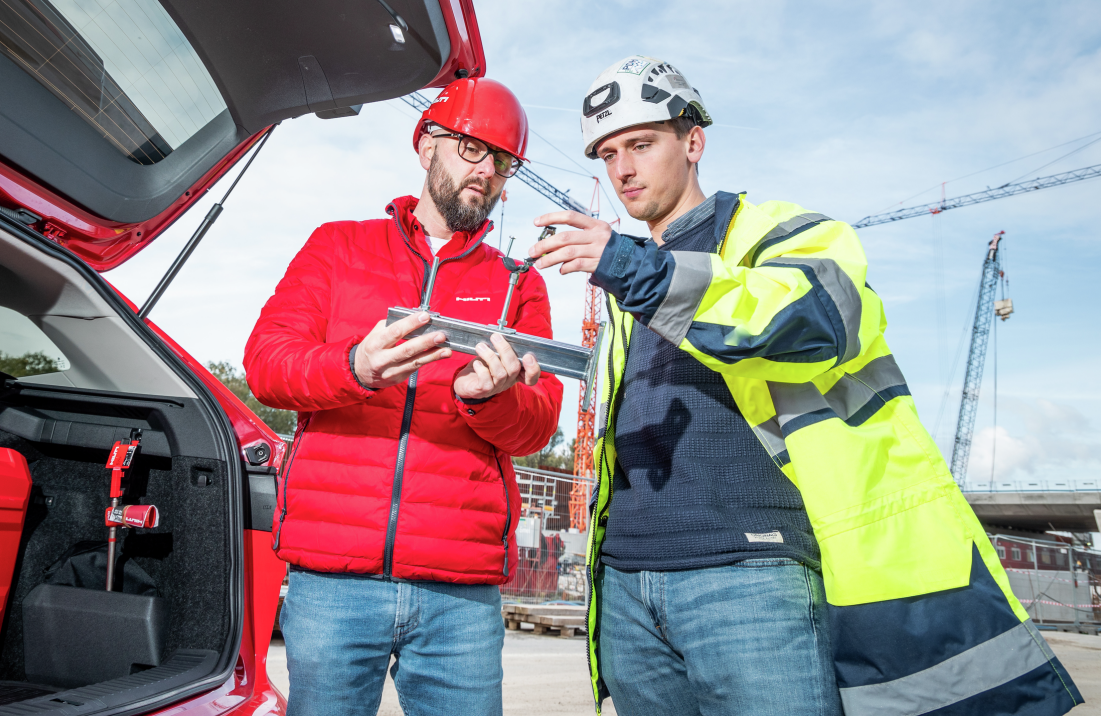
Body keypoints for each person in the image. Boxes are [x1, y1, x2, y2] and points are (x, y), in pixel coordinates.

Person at [530, 55, 1081, 716]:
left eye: (641, 144)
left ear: (694, 142)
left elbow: (816, 321)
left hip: (751, 576)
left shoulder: (777, 234)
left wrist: (635, 270)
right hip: (627, 585)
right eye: (608, 153)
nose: (622, 169)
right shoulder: (628, 288)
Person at [244, 77, 564, 716]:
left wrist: (490, 400)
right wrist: (355, 367)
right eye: (472, 149)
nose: (487, 171)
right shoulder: (337, 246)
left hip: (460, 592)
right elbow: (267, 366)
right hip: (333, 580)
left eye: (503, 161)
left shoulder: (517, 283)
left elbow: (538, 424)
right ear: (426, 147)